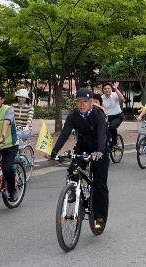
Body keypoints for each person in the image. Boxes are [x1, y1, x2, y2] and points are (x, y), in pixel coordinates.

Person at [51, 88, 109, 232]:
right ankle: (73, 192)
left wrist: (100, 151)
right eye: (79, 101)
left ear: (91, 102)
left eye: (85, 101)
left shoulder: (98, 115)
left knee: (99, 185)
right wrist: (54, 151)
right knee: (73, 169)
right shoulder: (73, 116)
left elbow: (102, 135)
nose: (82, 104)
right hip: (82, 148)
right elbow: (64, 134)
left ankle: (100, 217)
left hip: (99, 150)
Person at [102, 82, 125, 147]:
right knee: (103, 129)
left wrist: (116, 89)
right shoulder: (101, 98)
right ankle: (105, 142)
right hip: (107, 117)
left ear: (111, 89)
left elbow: (122, 99)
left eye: (108, 88)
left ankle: (114, 142)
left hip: (117, 116)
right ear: (103, 90)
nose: (107, 90)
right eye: (105, 89)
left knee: (111, 127)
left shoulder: (115, 94)